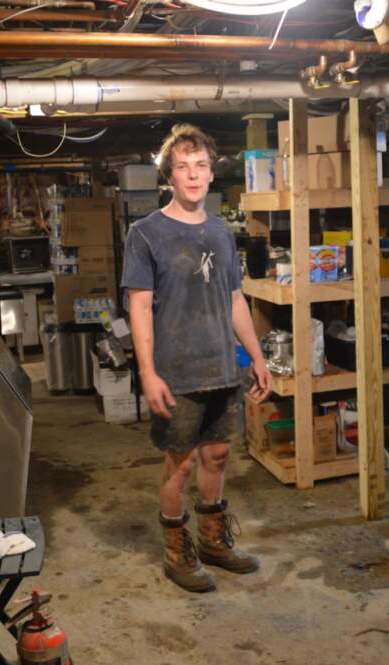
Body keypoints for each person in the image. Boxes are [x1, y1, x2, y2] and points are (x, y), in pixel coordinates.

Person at [121, 123, 273, 592]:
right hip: (175, 370)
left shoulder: (222, 233)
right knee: (181, 464)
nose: (192, 175)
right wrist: (147, 372)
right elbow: (139, 306)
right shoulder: (146, 233)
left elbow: (234, 300)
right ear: (169, 175)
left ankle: (212, 541)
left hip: (221, 365)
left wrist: (257, 355)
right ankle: (176, 549)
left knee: (219, 454)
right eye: (183, 167)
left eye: (201, 166)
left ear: (211, 174)